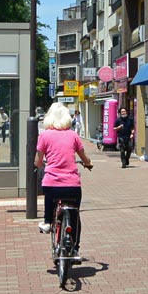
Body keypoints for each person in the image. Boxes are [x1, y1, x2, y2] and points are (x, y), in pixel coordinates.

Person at [35, 103, 93, 254]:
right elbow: (84, 156)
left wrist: (40, 164)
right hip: (72, 185)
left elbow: (38, 160)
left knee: (49, 195)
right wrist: (88, 164)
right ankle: (75, 248)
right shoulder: (73, 135)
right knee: (74, 213)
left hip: (52, 184)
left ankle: (48, 222)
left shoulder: (45, 135)